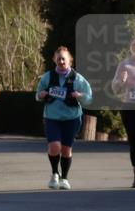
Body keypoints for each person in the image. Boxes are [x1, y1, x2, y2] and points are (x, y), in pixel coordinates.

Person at [35, 46, 93, 190]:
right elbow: (38, 94)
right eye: (59, 59)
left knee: (66, 149)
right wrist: (41, 95)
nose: (61, 61)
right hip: (52, 117)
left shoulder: (77, 78)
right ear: (54, 60)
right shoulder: (48, 77)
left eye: (64, 59)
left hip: (72, 118)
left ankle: (64, 178)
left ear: (70, 61)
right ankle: (55, 173)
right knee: (54, 146)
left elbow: (89, 98)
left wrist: (80, 95)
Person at [111, 36, 135, 188]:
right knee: (133, 141)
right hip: (129, 107)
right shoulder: (124, 64)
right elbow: (115, 87)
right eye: (133, 44)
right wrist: (121, 81)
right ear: (130, 48)